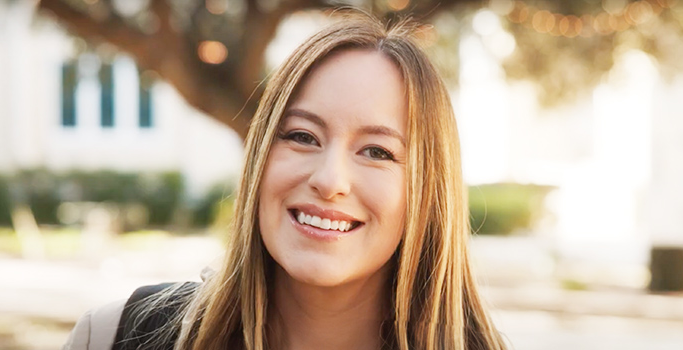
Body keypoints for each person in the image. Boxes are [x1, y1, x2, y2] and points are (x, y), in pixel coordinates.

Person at [64, 12, 508, 350]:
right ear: (260, 157)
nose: (330, 179)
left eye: (377, 151)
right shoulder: (113, 337)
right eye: (302, 136)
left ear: (429, 192)